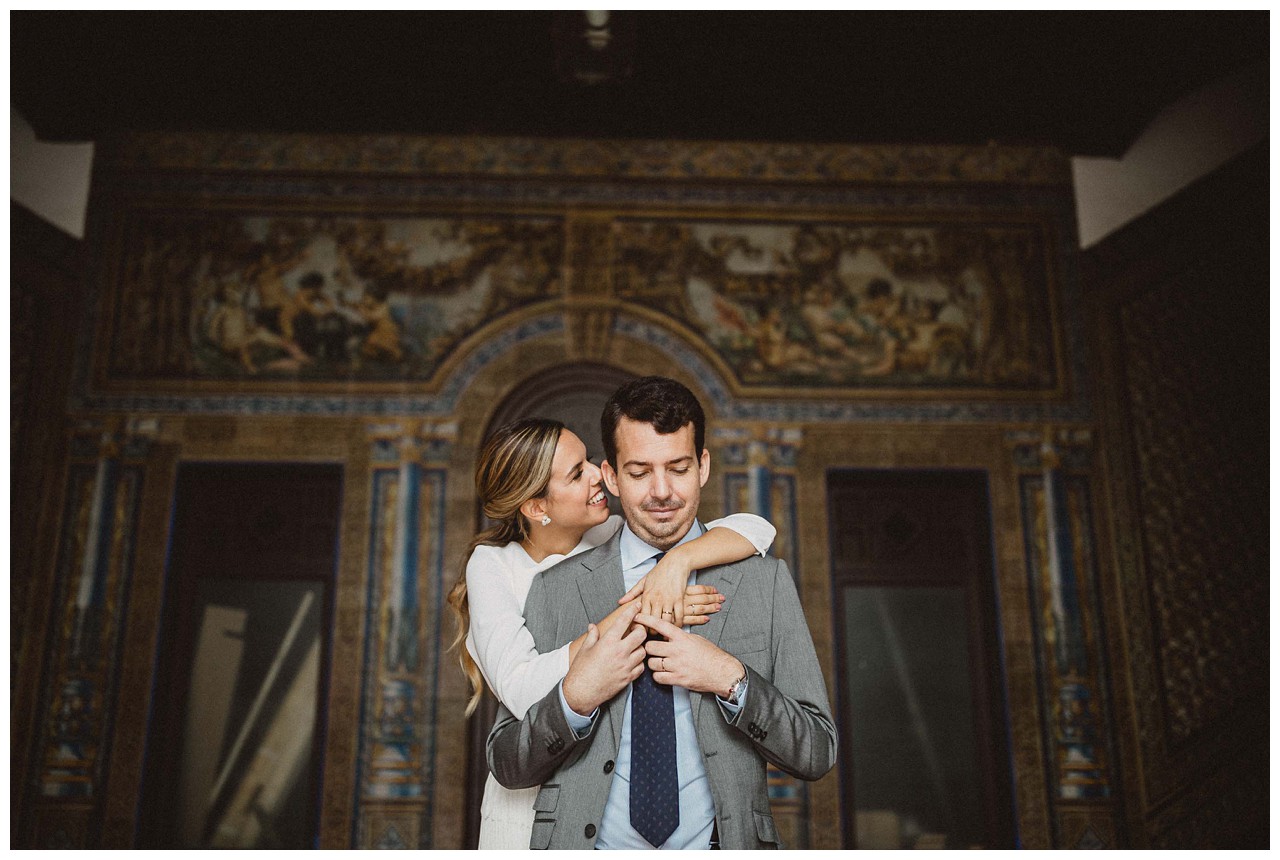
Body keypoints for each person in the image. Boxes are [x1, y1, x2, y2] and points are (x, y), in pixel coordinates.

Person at [487, 376, 836, 849]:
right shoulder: (556, 589)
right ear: (609, 476)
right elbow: (507, 762)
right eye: (639, 472)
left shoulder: (763, 582)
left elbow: (817, 750)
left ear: (703, 466)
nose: (662, 492)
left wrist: (730, 678)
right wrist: (575, 700)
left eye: (678, 468)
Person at [446, 417, 777, 849]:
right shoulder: (494, 566)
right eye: (576, 473)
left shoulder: (610, 532)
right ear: (536, 507)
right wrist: (640, 610)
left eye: (587, 459)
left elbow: (758, 530)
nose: (598, 473)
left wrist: (677, 563)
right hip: (530, 806)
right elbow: (524, 692)